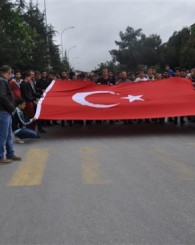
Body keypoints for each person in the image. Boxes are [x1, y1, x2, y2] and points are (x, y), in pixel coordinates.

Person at [0, 65, 21, 164]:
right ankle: (0, 156)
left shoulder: (3, 81)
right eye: (11, 73)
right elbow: (2, 97)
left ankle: (10, 154)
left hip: (6, 111)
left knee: (8, 134)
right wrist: (11, 107)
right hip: (4, 111)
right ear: (8, 72)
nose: (11, 74)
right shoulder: (2, 81)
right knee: (3, 135)